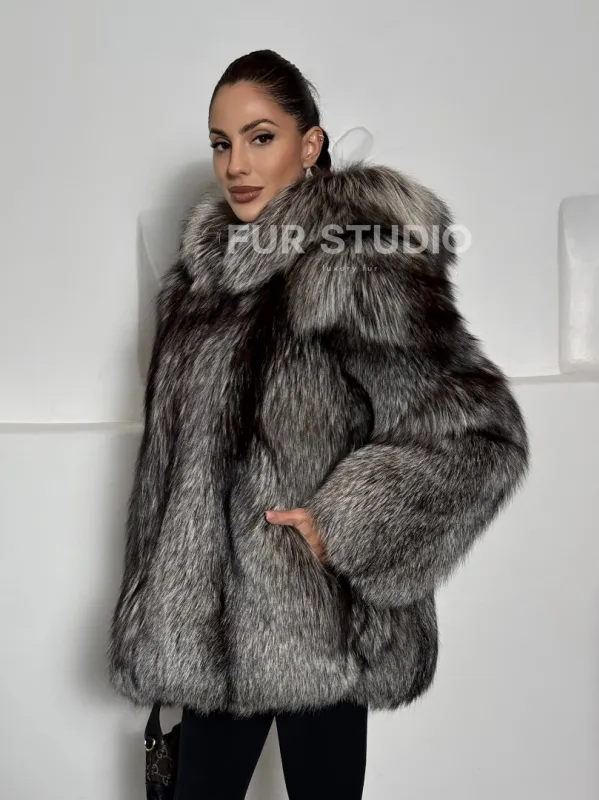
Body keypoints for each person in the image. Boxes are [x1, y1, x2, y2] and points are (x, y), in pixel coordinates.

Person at [107, 49, 530, 799]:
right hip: (208, 635)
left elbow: (480, 431)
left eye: (260, 137)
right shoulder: (199, 286)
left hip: (324, 627)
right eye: (221, 142)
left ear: (310, 145)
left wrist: (346, 524)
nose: (236, 164)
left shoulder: (353, 266)